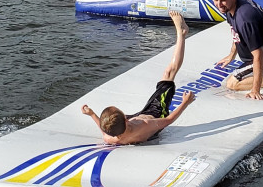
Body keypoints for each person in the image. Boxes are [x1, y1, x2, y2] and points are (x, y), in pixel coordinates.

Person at [81, 11, 196, 144]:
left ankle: (181, 33)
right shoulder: (145, 124)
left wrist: (92, 114)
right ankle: (181, 33)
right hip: (156, 114)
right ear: (125, 119)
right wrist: (185, 103)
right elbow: (169, 120)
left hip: (131, 126)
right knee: (168, 73)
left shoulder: (111, 138)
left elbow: (105, 131)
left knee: (115, 123)